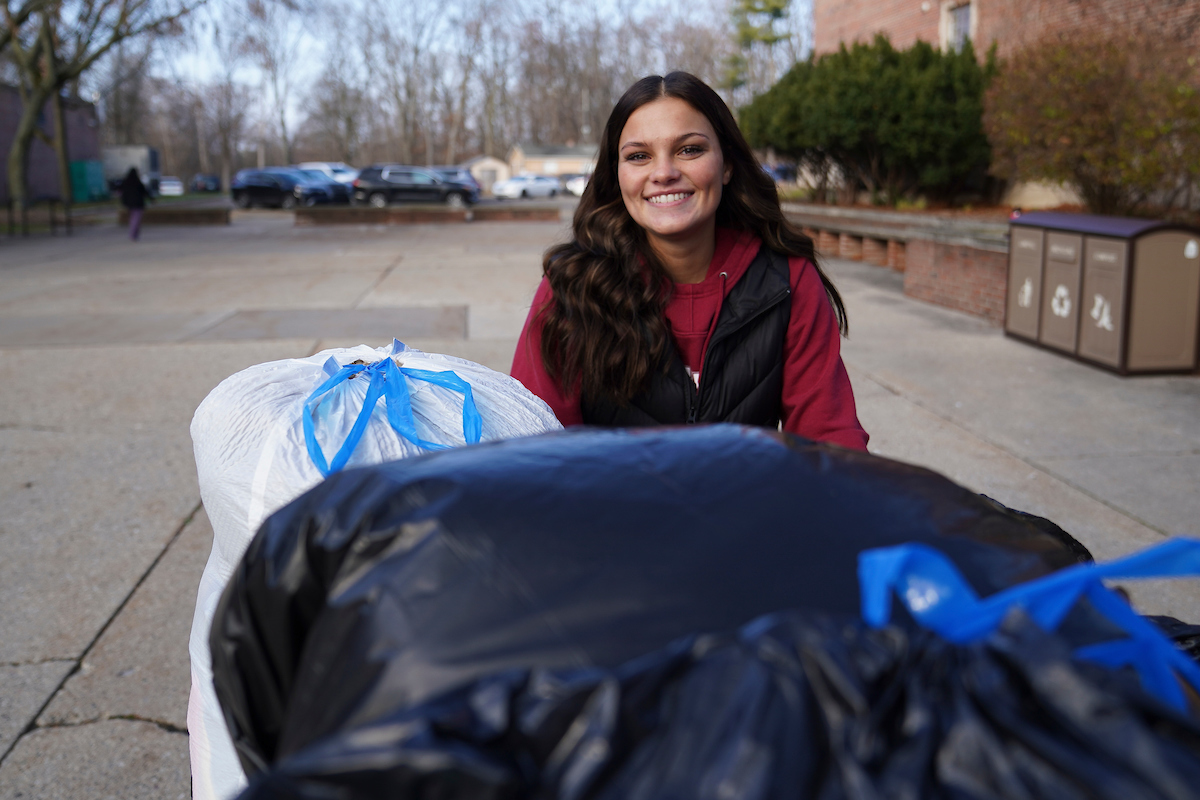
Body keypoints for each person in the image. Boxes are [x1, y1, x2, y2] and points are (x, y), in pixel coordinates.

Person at [511, 72, 869, 451]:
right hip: (610, 508)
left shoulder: (787, 280)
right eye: (638, 156)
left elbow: (830, 438)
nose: (664, 173)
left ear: (727, 165)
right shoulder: (571, 286)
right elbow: (536, 445)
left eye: (690, 150)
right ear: (617, 176)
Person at [119, 167, 151, 241]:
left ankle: (134, 234)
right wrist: (151, 199)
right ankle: (133, 234)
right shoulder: (137, 182)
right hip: (138, 204)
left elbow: (121, 192)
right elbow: (145, 192)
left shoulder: (126, 182)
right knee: (136, 219)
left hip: (129, 204)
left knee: (133, 219)